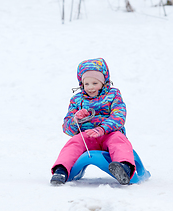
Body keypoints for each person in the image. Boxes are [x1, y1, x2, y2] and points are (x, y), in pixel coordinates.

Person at [50, 58, 136, 186]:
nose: (90, 88)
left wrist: (102, 129)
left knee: (119, 140)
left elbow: (119, 117)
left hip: (109, 133)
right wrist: (76, 120)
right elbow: (67, 127)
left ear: (104, 82)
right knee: (74, 143)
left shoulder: (113, 95)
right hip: (87, 136)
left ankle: (124, 167)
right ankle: (61, 170)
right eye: (87, 84)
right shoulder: (77, 100)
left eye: (95, 83)